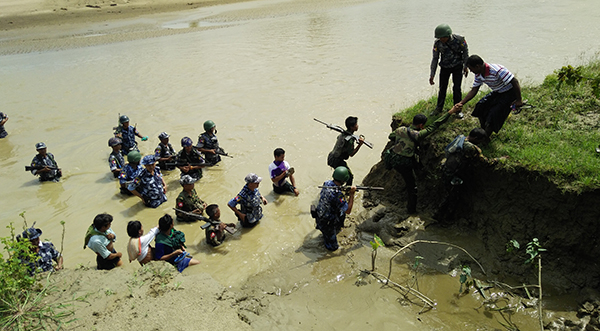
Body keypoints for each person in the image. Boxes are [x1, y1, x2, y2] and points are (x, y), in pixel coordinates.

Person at [385, 105, 461, 214]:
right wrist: (451, 112)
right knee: (413, 188)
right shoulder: (418, 134)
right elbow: (436, 124)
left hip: (394, 160)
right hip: (405, 163)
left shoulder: (400, 129)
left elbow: (391, 136)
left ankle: (415, 177)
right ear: (421, 125)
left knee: (410, 174)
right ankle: (411, 211)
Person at [457, 54, 523, 137]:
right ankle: (483, 131)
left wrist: (519, 100)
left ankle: (485, 137)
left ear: (477, 66)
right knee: (480, 106)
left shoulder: (497, 70)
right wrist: (461, 103)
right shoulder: (479, 73)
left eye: (471, 69)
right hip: (498, 92)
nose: (470, 71)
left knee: (494, 113)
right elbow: (474, 90)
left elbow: (515, 82)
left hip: (509, 92)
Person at [429, 23, 468, 117]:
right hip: (445, 67)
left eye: (443, 38)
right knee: (442, 88)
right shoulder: (437, 43)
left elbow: (465, 52)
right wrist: (432, 74)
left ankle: (458, 110)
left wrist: (466, 66)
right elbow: (435, 58)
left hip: (457, 67)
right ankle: (439, 108)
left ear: (448, 35)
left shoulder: (460, 40)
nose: (441, 40)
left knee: (457, 88)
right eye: (439, 38)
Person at [314, 166, 356, 251]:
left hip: (319, 215)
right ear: (344, 180)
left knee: (341, 212)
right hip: (327, 223)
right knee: (333, 248)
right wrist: (352, 194)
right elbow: (348, 210)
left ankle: (333, 230)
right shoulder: (338, 195)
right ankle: (329, 236)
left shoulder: (327, 183)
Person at [327, 116, 365, 186]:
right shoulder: (350, 140)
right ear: (351, 127)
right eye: (356, 125)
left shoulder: (342, 134)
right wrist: (360, 145)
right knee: (349, 177)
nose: (357, 126)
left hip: (331, 157)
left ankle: (335, 187)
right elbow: (351, 154)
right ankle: (348, 193)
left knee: (339, 177)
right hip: (337, 160)